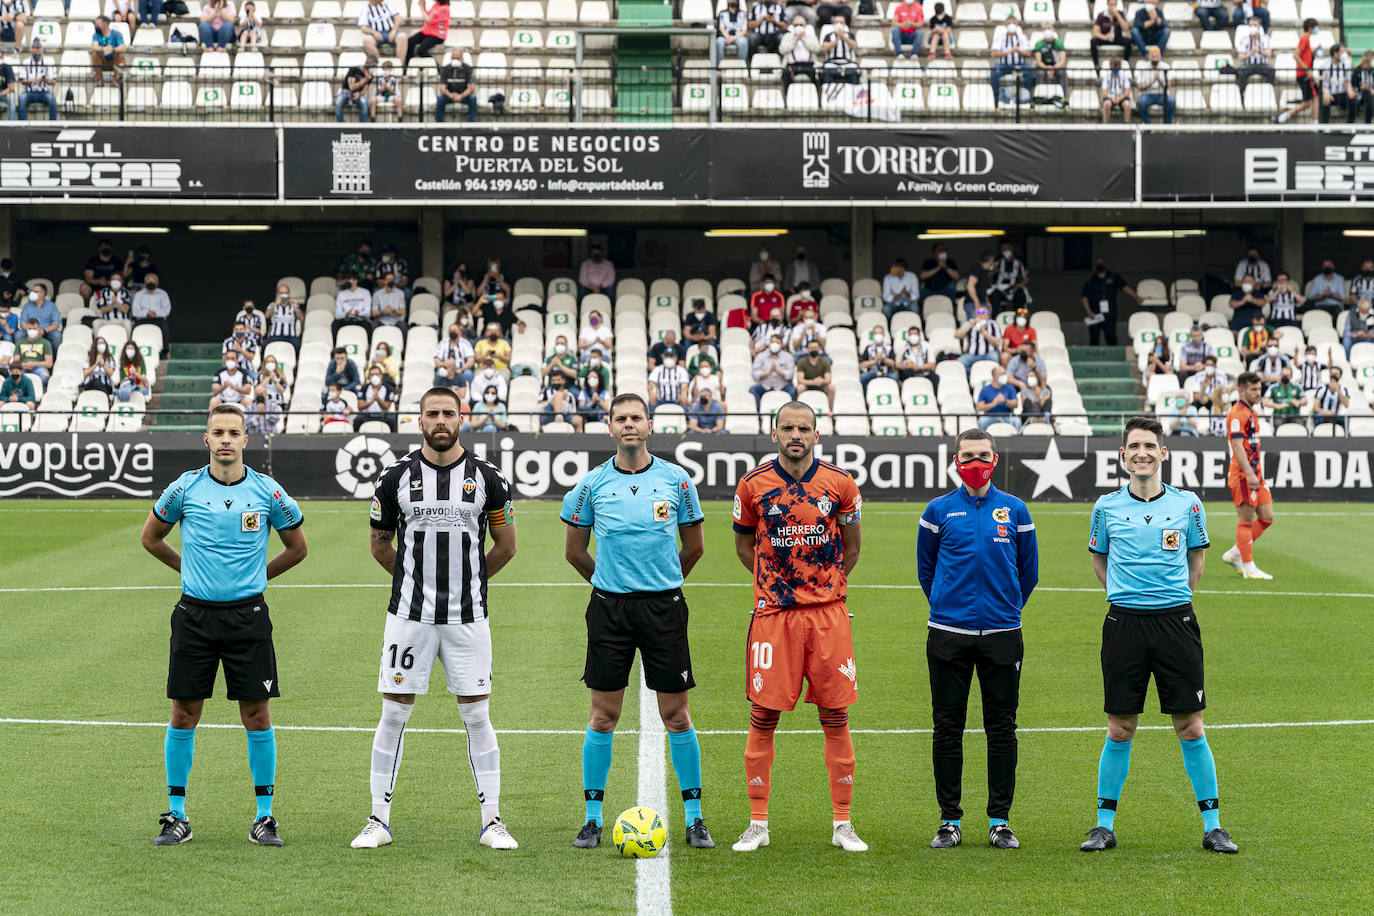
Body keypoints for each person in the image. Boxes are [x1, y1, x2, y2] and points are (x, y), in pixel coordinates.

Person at [352, 388, 519, 851]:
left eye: (448, 413)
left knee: (477, 714)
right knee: (393, 711)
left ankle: (492, 822)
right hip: (409, 615)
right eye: (432, 414)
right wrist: (412, 578)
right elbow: (379, 543)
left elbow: (505, 545)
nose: (440, 420)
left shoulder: (489, 478)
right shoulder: (394, 478)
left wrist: (469, 581)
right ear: (419, 420)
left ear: (461, 418)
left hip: (468, 617)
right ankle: (378, 820)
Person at [141, 403, 308, 847]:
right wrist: (186, 570)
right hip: (194, 616)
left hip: (248, 618)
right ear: (207, 439)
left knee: (256, 714)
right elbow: (150, 538)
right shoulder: (184, 488)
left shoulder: (269, 493)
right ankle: (177, 815)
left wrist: (255, 577)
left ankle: (265, 817)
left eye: (235, 432)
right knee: (183, 713)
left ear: (245, 439)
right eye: (219, 432)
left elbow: (297, 547)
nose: (227, 440)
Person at [561, 393, 713, 850]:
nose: (629, 425)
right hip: (610, 611)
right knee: (603, 716)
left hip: (664, 609)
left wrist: (661, 583)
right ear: (609, 428)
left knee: (677, 715)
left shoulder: (677, 481)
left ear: (649, 425)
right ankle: (592, 819)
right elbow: (573, 551)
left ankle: (695, 817)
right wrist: (609, 583)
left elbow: (695, 547)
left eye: (637, 418)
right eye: (620, 419)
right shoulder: (589, 485)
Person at [1082, 416, 1238, 856]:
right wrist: (1128, 595)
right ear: (1123, 455)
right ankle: (1103, 826)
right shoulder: (1106, 507)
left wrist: (1170, 599)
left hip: (1176, 624)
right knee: (1119, 727)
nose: (1142, 453)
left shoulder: (1188, 504)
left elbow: (1197, 563)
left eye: (1150, 446)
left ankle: (1214, 827)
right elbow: (1100, 562)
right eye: (1134, 446)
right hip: (1124, 625)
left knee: (1190, 726)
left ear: (1163, 453)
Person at [732, 401, 866, 854]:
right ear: (774, 434)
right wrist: (778, 586)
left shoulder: (840, 483)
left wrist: (822, 587)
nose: (796, 434)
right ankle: (757, 822)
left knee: (835, 714)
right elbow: (744, 545)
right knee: (763, 714)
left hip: (827, 616)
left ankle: (843, 823)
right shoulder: (753, 485)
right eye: (787, 427)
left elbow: (852, 546)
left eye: (803, 428)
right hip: (775, 618)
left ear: (816, 434)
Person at [917, 428, 1037, 851]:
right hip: (948, 635)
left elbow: (1029, 572)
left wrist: (1005, 608)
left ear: (995, 459)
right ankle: (949, 820)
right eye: (967, 456)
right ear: (955, 461)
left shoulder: (1016, 510)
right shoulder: (938, 510)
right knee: (947, 728)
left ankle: (999, 821)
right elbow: (926, 571)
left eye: (982, 455)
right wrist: (949, 608)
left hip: (1004, 635)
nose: (975, 463)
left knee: (1001, 729)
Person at [1218, 372, 1273, 580]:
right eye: (1253, 389)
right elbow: (1237, 446)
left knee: (1267, 517)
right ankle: (1248, 567)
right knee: (1246, 520)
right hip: (1243, 474)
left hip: (1256, 474)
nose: (1258, 393)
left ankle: (1235, 553)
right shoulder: (1237, 413)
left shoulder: (1251, 412)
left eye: (1259, 389)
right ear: (1241, 390)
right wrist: (1249, 473)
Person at [1080, 258, 1141, 347]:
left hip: (1110, 314)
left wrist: (1136, 296)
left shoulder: (1113, 276)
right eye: (1098, 263)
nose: (1100, 265)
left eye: (1101, 262)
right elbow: (1084, 297)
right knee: (1094, 338)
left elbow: (1124, 287)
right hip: (1095, 315)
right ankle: (1093, 359)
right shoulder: (1091, 281)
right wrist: (1089, 312)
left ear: (1105, 264)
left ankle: (1113, 358)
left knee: (1111, 337)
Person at [131, 272, 171, 358]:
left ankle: (164, 352)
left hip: (158, 319)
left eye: (153, 281)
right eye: (149, 281)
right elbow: (135, 311)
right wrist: (147, 313)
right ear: (145, 283)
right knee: (134, 327)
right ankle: (132, 351)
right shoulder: (139, 294)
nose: (151, 283)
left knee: (164, 325)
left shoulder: (163, 294)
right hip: (143, 319)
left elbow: (167, 310)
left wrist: (156, 313)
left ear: (157, 283)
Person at [403, 0, 450, 71]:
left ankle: (438, 68)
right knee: (410, 41)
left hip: (437, 35)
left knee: (421, 50)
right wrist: (424, 6)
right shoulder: (436, 5)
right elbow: (428, 15)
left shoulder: (444, 9)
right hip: (426, 32)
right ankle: (406, 66)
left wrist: (421, 7)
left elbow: (428, 20)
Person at [751, 333, 796, 406]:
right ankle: (759, 415)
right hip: (765, 385)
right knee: (753, 389)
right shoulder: (761, 356)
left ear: (781, 344)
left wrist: (778, 371)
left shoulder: (788, 357)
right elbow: (755, 374)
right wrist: (768, 371)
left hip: (782, 386)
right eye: (772, 342)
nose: (774, 344)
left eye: (777, 342)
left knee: (792, 391)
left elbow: (790, 375)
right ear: (769, 344)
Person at [17, 41, 56, 121]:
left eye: (38, 52)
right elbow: (22, 80)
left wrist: (46, 80)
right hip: (29, 92)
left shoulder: (47, 63)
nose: (37, 55)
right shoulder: (26, 62)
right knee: (22, 98)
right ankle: (22, 123)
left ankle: (53, 123)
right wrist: (33, 80)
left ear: (42, 51)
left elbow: (54, 82)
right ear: (31, 51)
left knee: (52, 99)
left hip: (44, 92)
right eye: (35, 53)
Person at [976, 365, 1021, 431]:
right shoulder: (985, 389)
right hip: (990, 416)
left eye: (1005, 373)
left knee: (1017, 422)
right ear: (994, 376)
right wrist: (994, 403)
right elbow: (979, 408)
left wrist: (1005, 401)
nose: (1005, 376)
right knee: (981, 422)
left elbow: (1015, 404)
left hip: (1007, 416)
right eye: (1002, 374)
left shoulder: (1010, 387)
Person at [955, 305, 1001, 371]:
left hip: (989, 353)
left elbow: (998, 343)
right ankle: (970, 377)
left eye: (983, 313)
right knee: (959, 363)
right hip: (971, 354)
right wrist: (971, 325)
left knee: (995, 358)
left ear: (988, 315)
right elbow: (957, 335)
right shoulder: (969, 323)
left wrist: (984, 332)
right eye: (978, 313)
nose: (981, 315)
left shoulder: (993, 324)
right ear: (975, 315)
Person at [436, 52, 478, 122]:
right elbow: (442, 89)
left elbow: (471, 88)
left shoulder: (468, 69)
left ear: (462, 59)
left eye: (457, 58)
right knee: (440, 98)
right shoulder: (446, 69)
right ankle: (439, 123)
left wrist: (461, 96)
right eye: (453, 58)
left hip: (464, 96)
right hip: (449, 96)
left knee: (473, 98)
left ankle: (472, 122)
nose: (455, 60)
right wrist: (451, 95)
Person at [793, 339, 834, 409]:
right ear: (807, 349)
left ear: (819, 349)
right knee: (800, 388)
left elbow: (828, 380)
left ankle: (830, 411)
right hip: (807, 386)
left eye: (815, 348)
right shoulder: (802, 361)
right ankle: (799, 409)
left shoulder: (825, 361)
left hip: (820, 385)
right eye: (811, 348)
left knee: (832, 388)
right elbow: (800, 380)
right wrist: (814, 382)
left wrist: (821, 381)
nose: (814, 349)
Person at [89, 16, 126, 83]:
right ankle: (99, 80)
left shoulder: (116, 34)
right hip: (102, 60)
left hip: (114, 59)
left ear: (105, 24)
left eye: (98, 24)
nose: (96, 26)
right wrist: (103, 49)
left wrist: (113, 49)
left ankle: (115, 80)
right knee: (94, 54)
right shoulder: (96, 35)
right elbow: (94, 46)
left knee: (120, 55)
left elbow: (123, 47)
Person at [1099, 58, 1132, 124]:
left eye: (1117, 66)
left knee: (1127, 104)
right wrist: (1112, 99)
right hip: (1110, 98)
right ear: (1110, 66)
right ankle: (1105, 125)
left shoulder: (1124, 77)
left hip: (1122, 97)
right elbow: (1104, 93)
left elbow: (1127, 91)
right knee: (1106, 104)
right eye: (1113, 66)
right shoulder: (1106, 77)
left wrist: (1119, 98)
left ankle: (1126, 126)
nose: (1115, 68)